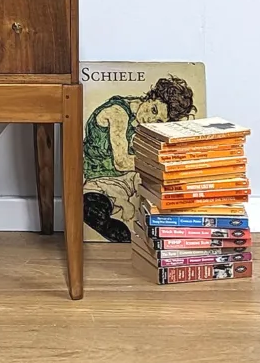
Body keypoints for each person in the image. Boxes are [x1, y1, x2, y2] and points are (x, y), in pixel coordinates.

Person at [82, 76, 197, 242]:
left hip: (132, 179)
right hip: (101, 178)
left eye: (158, 121)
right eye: (154, 110)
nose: (150, 120)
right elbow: (121, 162)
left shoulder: (146, 125)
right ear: (151, 97)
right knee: (94, 209)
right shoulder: (118, 113)